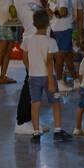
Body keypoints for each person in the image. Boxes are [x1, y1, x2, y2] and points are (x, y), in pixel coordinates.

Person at [11, 0, 70, 135]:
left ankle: (28, 121)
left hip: (38, 39)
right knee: (32, 82)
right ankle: (22, 122)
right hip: (35, 41)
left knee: (33, 82)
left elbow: (47, 12)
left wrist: (48, 10)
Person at [23, 9, 69, 142]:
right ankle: (58, 130)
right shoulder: (51, 42)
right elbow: (49, 62)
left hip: (33, 77)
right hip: (49, 77)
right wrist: (50, 81)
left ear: (34, 23)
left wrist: (31, 69)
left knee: (35, 104)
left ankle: (36, 133)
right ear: (48, 24)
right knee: (55, 103)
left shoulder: (27, 40)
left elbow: (24, 59)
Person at [48, 0, 78, 90]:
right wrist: (59, 14)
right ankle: (60, 83)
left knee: (68, 55)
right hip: (64, 28)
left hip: (55, 27)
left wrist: (54, 14)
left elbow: (48, 9)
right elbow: (63, 12)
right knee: (61, 56)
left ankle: (76, 80)